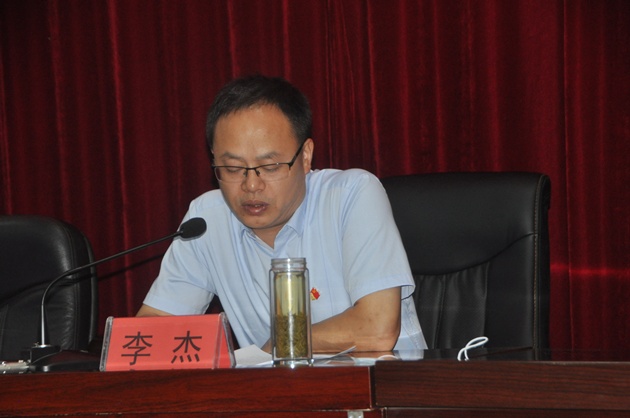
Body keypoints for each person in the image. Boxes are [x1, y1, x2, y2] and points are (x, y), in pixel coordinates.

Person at [137, 75, 426, 353]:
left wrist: (278, 345)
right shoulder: (206, 220)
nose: (251, 185)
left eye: (270, 166)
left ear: (305, 156)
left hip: (384, 384)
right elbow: (155, 324)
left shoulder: (351, 195)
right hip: (272, 388)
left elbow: (376, 329)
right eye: (233, 168)